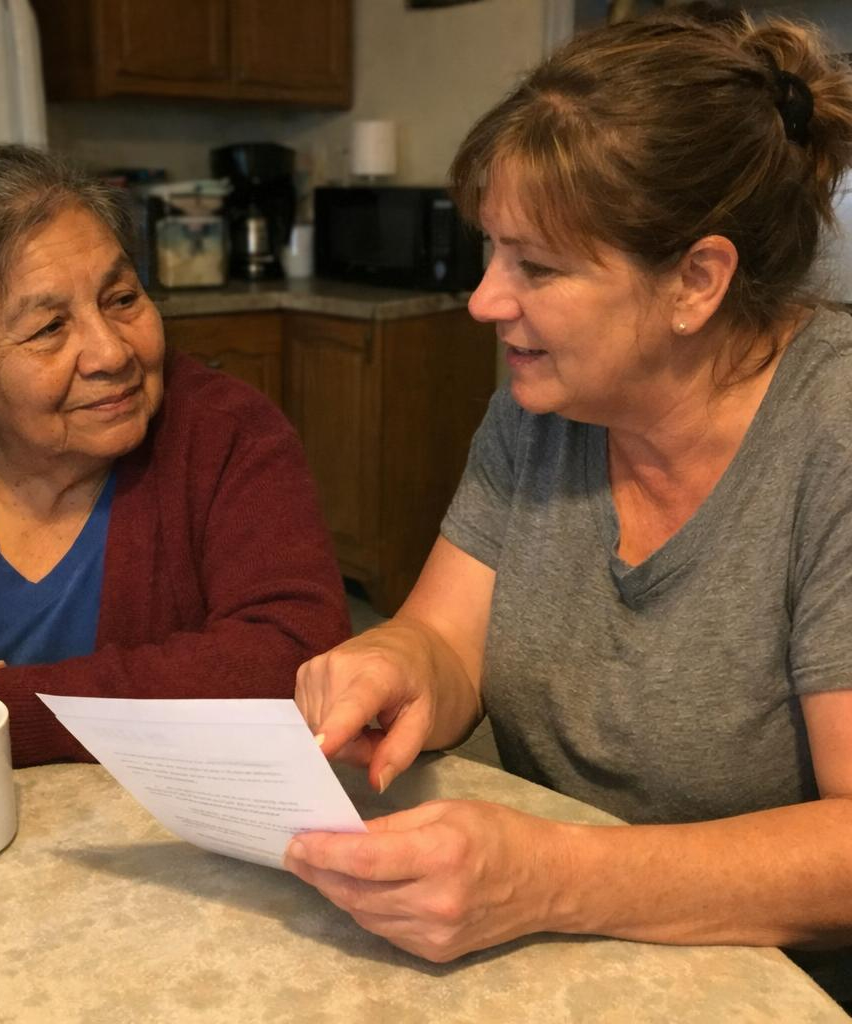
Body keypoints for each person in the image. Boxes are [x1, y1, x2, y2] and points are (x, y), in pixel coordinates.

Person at [285, 7, 852, 1007]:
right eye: (491, 250)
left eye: (535, 266)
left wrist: (548, 876)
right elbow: (447, 643)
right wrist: (390, 661)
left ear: (696, 280)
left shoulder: (833, 437)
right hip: (572, 958)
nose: (482, 300)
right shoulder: (544, 406)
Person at [0, 145, 349, 773]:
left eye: (122, 298)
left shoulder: (228, 436)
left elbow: (293, 654)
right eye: (49, 328)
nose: (111, 353)